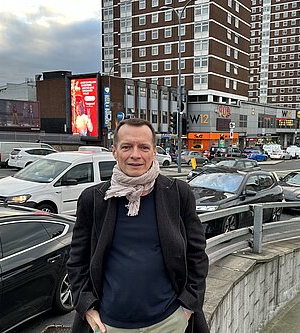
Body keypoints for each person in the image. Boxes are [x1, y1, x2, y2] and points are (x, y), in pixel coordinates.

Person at [67, 118, 209, 333]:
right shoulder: (93, 199)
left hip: (170, 321)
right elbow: (77, 260)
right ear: (114, 151)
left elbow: (196, 254)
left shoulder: (178, 194)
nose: (135, 155)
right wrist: (86, 307)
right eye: (126, 147)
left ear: (154, 152)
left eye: (143, 147)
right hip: (109, 325)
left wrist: (188, 306)